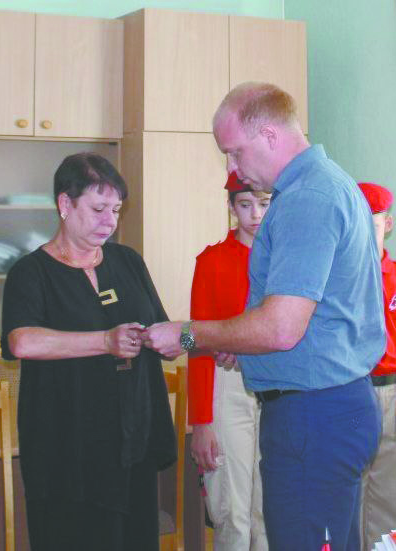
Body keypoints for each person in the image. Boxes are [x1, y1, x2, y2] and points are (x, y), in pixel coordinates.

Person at [143, 82, 385, 551]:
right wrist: (245, 346)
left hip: (314, 415)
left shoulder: (307, 199)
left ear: (270, 135)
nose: (231, 169)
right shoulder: (329, 184)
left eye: (234, 152)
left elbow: (280, 327)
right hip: (330, 407)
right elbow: (320, 317)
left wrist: (188, 335)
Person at [0, 152, 176, 551]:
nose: (109, 221)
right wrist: (105, 341)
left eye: (115, 210)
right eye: (98, 209)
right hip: (67, 450)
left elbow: (164, 332)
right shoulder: (30, 272)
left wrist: (196, 342)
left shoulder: (128, 261)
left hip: (132, 443)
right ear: (65, 203)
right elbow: (21, 341)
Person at [189, 171, 270, 551]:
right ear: (231, 207)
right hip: (228, 385)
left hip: (278, 387)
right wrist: (201, 422)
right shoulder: (212, 260)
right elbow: (195, 340)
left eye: (264, 204)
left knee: (268, 512)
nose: (256, 214)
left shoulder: (287, 260)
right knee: (232, 512)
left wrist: (240, 342)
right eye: (245, 204)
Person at [358, 182, 396, 551]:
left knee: (388, 490)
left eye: (372, 222)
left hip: (393, 391)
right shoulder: (340, 280)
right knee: (350, 486)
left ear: (388, 224)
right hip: (353, 390)